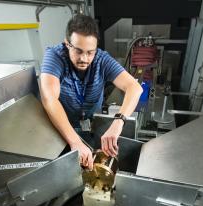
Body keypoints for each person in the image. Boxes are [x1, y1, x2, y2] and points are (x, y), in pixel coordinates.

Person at [40, 14, 142, 170]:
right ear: (67, 44)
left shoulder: (101, 59)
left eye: (90, 52)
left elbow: (134, 88)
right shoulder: (55, 57)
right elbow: (49, 99)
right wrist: (74, 142)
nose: (84, 58)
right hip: (63, 128)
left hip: (90, 125)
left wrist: (118, 123)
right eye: (78, 51)